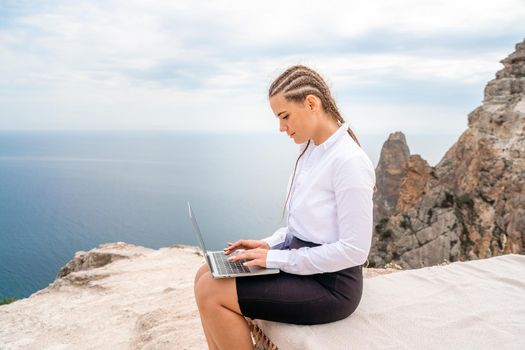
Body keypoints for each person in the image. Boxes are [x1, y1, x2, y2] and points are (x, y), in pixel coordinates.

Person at [193, 65, 376, 350]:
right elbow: (301, 227)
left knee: (211, 290)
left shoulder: (348, 162)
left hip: (331, 285)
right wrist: (268, 245)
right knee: (205, 273)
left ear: (311, 103)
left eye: (285, 116)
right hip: (301, 264)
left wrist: (275, 260)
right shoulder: (310, 150)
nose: (281, 127)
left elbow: (355, 250)